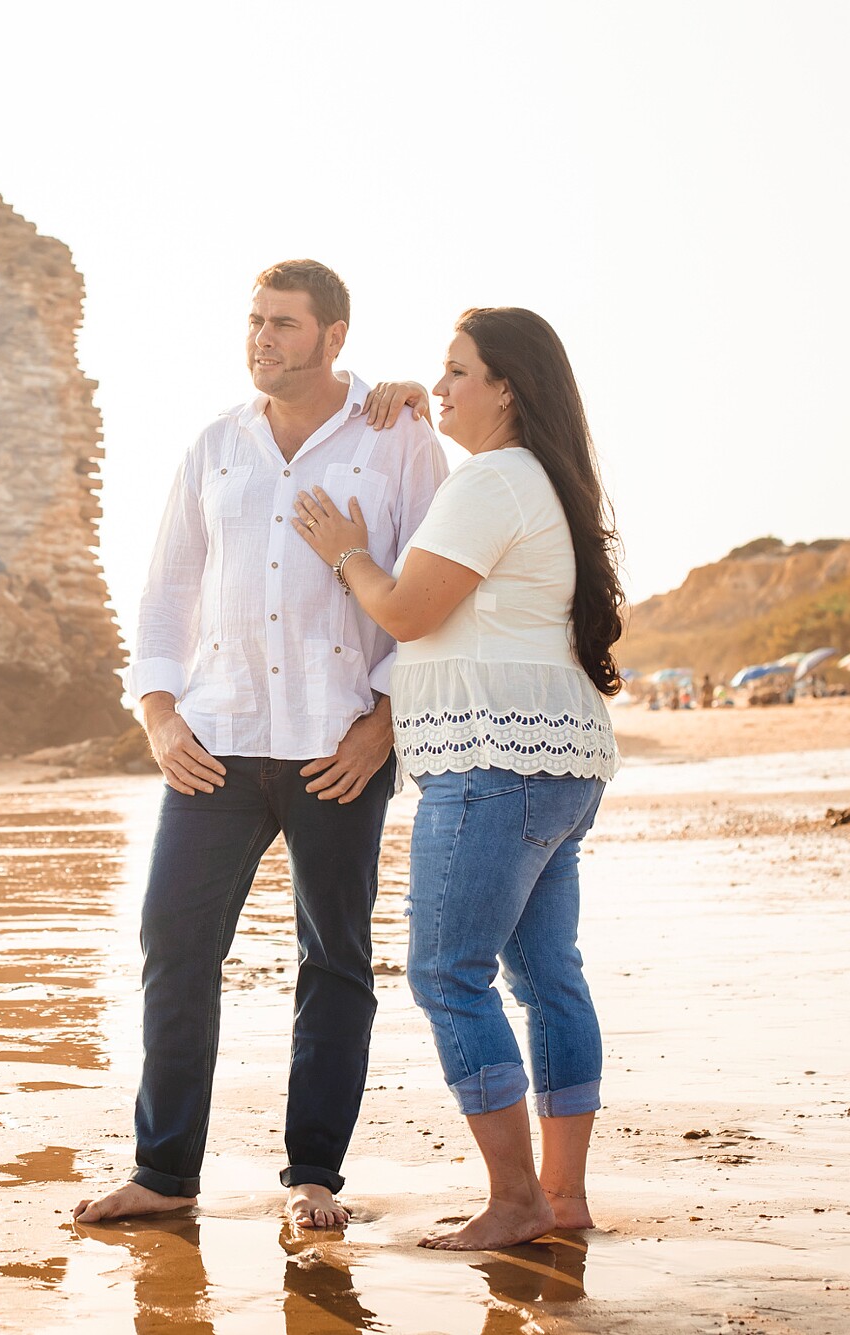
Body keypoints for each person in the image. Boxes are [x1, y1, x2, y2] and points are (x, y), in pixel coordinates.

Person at [73, 260, 448, 1231]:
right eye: (253, 321)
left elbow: (434, 589)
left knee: (333, 958)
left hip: (339, 746)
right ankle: (163, 1176)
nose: (260, 338)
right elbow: (164, 593)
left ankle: (313, 1177)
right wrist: (158, 715)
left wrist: (383, 722)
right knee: (173, 943)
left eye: (282, 323)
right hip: (217, 742)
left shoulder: (396, 436)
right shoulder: (214, 445)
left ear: (333, 336)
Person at [292, 307, 623, 1250]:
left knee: (447, 974)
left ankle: (515, 1199)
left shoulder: (489, 484)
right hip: (555, 762)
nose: (441, 388)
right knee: (548, 977)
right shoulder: (540, 480)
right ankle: (561, 1198)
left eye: (458, 373)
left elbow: (405, 608)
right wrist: (408, 396)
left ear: (507, 386)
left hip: (491, 764)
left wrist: (347, 553)